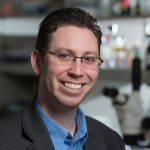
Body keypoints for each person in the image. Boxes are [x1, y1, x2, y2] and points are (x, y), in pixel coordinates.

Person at [0, 8, 125, 150]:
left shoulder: (112, 142)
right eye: (64, 55)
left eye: (89, 59)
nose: (77, 71)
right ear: (37, 62)